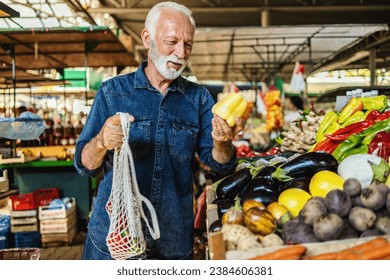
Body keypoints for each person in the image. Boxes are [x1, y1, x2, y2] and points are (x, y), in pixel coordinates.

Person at [74, 2, 244, 260]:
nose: (180, 53)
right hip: (114, 240)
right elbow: (84, 165)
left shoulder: (198, 99)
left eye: (188, 44)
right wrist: (100, 142)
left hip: (171, 242)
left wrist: (222, 143)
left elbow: (220, 165)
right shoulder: (113, 92)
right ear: (147, 38)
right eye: (172, 41)